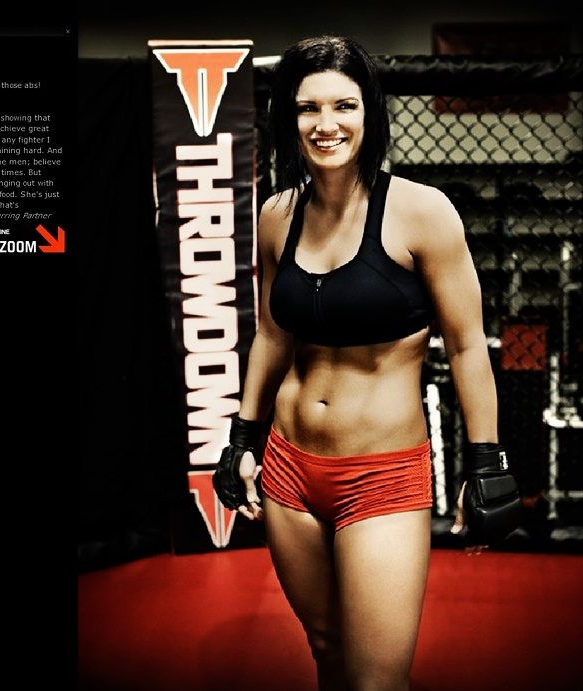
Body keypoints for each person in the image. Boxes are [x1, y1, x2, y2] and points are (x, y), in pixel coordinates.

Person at [212, 35, 521, 690]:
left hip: (381, 477)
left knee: (377, 679)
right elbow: (272, 333)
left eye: (343, 105)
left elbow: (467, 345)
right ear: (289, 118)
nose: (326, 124)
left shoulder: (421, 212)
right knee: (325, 647)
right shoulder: (277, 216)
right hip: (289, 468)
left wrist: (487, 461)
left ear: (369, 112)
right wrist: (242, 436)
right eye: (308, 107)